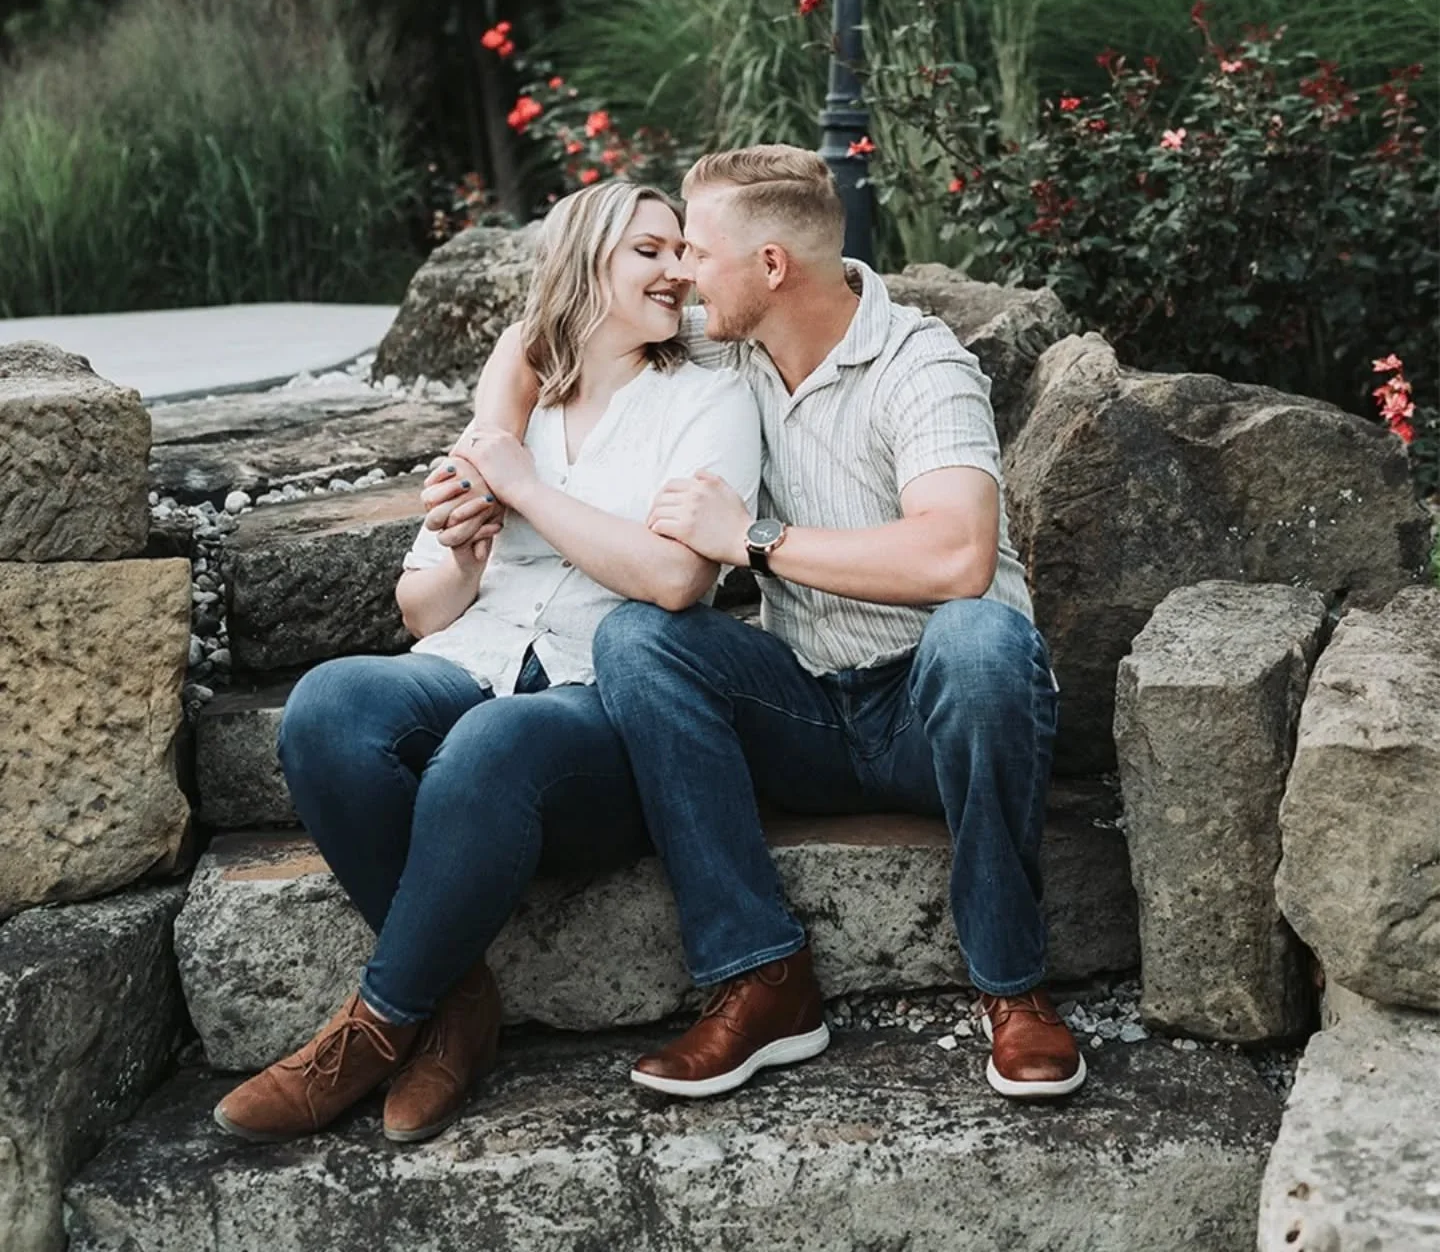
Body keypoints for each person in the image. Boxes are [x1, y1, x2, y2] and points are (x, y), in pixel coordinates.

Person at [432, 145, 1084, 1103]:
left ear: (770, 268)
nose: (680, 273)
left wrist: (754, 539)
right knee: (638, 639)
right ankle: (763, 978)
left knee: (980, 634)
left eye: (695, 251)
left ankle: (1015, 991)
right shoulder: (730, 339)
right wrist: (490, 460)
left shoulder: (921, 364)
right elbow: (540, 331)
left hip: (934, 712)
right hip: (806, 709)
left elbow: (956, 559)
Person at [213, 181, 761, 1145]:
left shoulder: (709, 397)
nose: (678, 270)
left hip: (605, 705)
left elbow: (676, 580)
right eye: (650, 250)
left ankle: (373, 1030)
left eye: (683, 251)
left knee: (494, 744)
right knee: (329, 705)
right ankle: (459, 1003)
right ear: (586, 260)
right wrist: (463, 546)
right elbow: (421, 605)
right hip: (476, 652)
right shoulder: (523, 401)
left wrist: (522, 488)